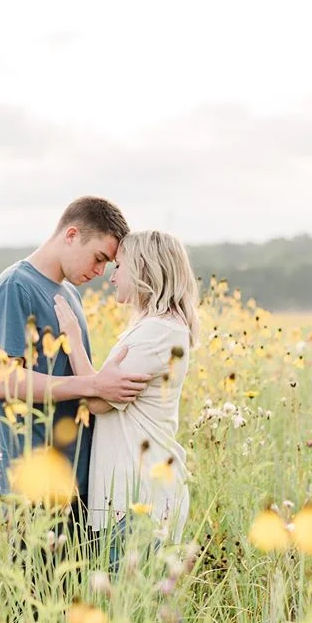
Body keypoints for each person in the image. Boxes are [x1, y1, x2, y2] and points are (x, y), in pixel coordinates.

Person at [0, 196, 152, 507]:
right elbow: (5, 382)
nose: (100, 271)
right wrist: (94, 384)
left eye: (108, 264)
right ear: (72, 235)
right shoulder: (15, 287)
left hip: (77, 477)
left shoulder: (70, 293)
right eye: (98, 258)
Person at [54, 230, 200, 559]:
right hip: (134, 499)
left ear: (144, 268)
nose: (112, 277)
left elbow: (97, 401)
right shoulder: (156, 327)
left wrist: (73, 338)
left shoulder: (158, 332)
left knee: (130, 592)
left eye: (119, 266)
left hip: (138, 500)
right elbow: (102, 388)